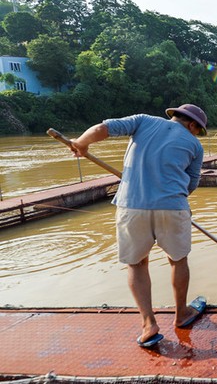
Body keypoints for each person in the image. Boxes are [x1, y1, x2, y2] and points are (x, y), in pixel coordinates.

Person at [69, 104, 209, 348]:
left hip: (132, 205)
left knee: (137, 263)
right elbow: (191, 184)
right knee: (178, 260)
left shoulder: (143, 120)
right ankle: (182, 314)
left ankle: (148, 324)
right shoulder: (195, 145)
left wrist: (81, 143)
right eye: (198, 130)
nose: (196, 135)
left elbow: (103, 128)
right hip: (173, 205)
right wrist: (175, 201)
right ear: (192, 125)